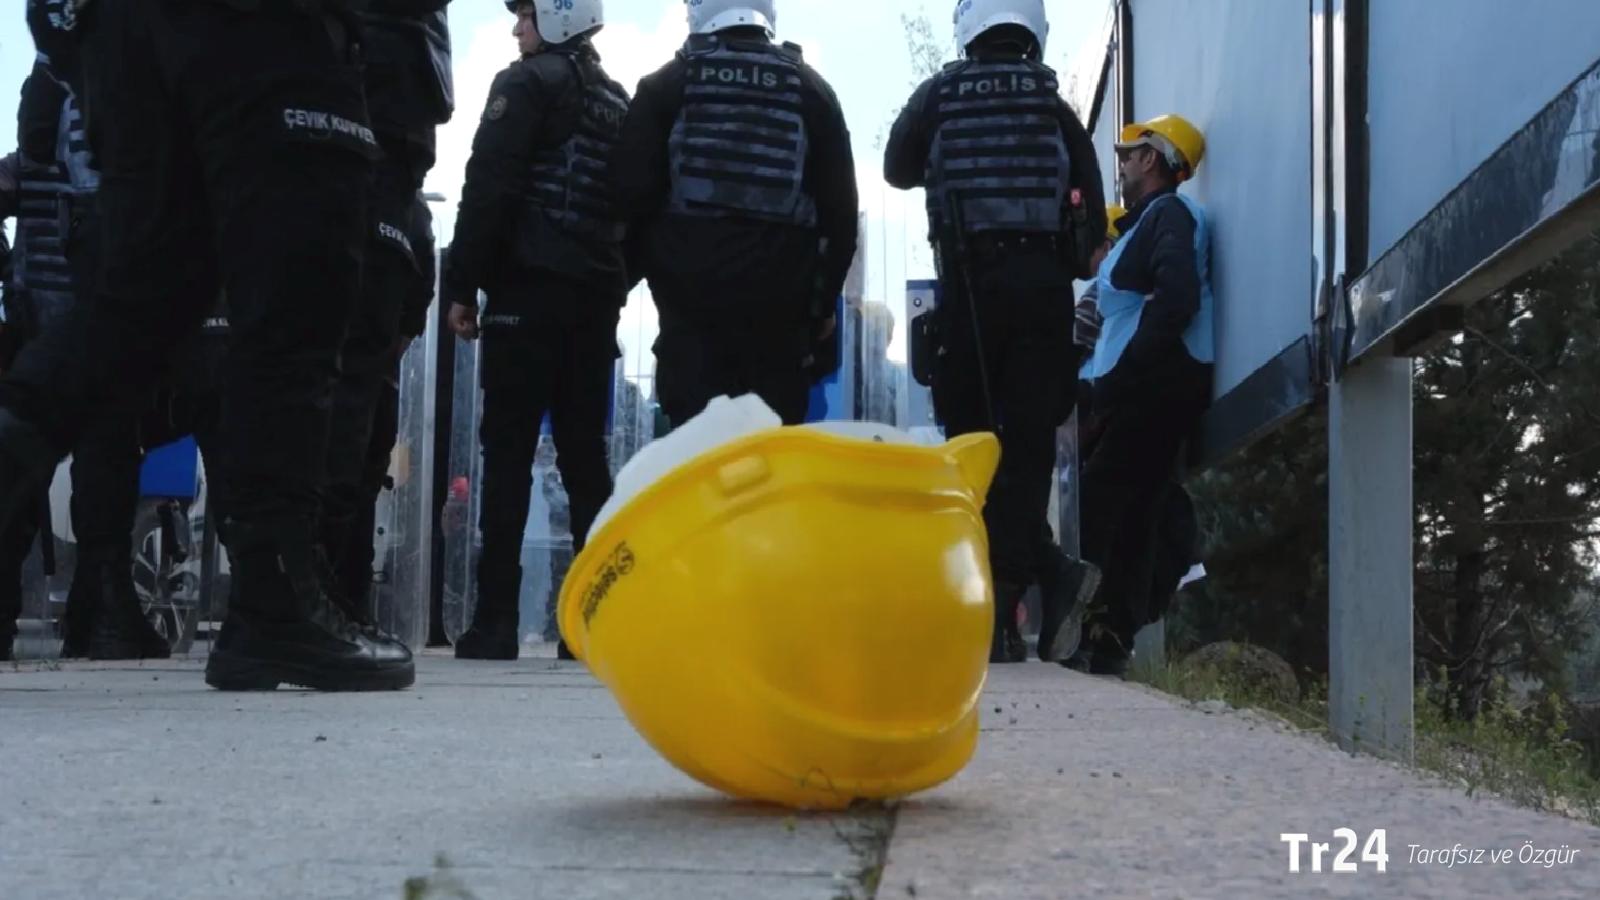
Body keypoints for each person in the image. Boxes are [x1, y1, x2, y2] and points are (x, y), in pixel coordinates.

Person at [0, 0, 414, 691]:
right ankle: (274, 605)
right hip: (271, 33)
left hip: (128, 33)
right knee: (298, 303)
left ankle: (271, 602)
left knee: (136, 300)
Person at [884, 0, 1106, 663]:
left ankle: (997, 611)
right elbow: (1091, 222)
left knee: (973, 450)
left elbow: (897, 167)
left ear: (968, 26)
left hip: (968, 289)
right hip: (1039, 293)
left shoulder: (940, 95)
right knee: (1028, 449)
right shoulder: (1056, 110)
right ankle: (1023, 596)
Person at [443, 0, 629, 660]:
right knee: (585, 461)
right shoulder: (620, 102)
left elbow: (488, 185)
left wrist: (461, 284)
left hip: (526, 295)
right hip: (592, 305)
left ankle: (495, 621)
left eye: (525, 15)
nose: (516, 27)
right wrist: (610, 287)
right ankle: (595, 623)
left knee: (510, 456)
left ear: (559, 19)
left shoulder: (523, 83)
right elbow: (636, 208)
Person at [3, 30, 170, 662]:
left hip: (50, 285)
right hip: (85, 287)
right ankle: (99, 612)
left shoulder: (55, 70)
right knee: (102, 449)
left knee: (61, 451)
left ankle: (91, 609)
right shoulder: (93, 64)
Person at [612, 0, 859, 427]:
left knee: (695, 461)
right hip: (779, 325)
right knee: (771, 463)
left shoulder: (666, 85)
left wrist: (633, 283)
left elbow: (626, 198)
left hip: (690, 321)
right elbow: (840, 217)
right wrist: (819, 309)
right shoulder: (812, 90)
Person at [320, 3, 453, 629]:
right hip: (368, 176)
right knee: (347, 421)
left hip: (359, 178)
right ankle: (322, 595)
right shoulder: (389, 51)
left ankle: (322, 594)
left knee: (348, 422)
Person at [1069, 113, 1213, 677]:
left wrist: (1121, 377)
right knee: (1129, 513)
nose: (1122, 166)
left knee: (1105, 508)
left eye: (1128, 156)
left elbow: (1177, 301)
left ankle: (1100, 634)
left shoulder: (1169, 214)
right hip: (1142, 387)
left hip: (1151, 387)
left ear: (1151, 159)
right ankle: (1106, 636)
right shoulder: (1154, 220)